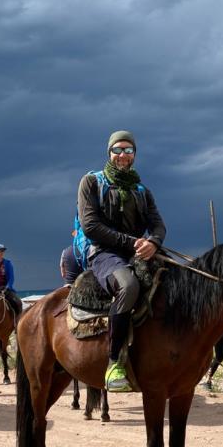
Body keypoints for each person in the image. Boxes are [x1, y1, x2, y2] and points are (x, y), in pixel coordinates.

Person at [77, 130, 166, 391]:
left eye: (128, 150)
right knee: (128, 286)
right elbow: (90, 225)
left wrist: (153, 243)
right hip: (105, 253)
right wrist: (133, 242)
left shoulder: (142, 191)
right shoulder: (91, 182)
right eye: (117, 150)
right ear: (109, 153)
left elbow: (158, 225)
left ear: (134, 155)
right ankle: (114, 361)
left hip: (139, 251)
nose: (123, 155)